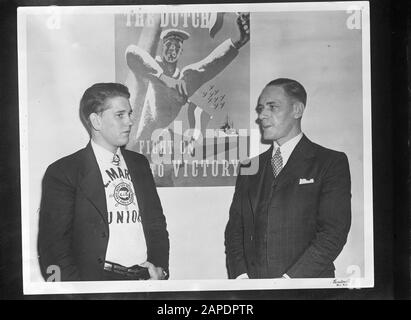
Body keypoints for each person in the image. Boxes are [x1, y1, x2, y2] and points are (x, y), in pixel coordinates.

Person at [38, 83, 169, 281]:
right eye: (120, 115)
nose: (130, 122)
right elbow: (54, 247)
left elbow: (156, 224)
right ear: (96, 121)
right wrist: (78, 293)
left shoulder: (139, 164)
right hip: (98, 287)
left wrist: (161, 270)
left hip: (145, 284)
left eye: (130, 114)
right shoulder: (64, 172)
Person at [224, 78, 351, 279]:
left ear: (297, 110)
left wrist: (290, 282)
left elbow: (333, 234)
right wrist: (241, 277)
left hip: (308, 291)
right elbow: (234, 231)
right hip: (254, 290)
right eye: (260, 108)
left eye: (272, 107)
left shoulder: (330, 162)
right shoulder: (249, 167)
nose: (262, 115)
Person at [125, 13, 250, 145]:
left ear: (181, 52)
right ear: (163, 47)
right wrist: (164, 79)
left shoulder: (184, 81)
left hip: (148, 146)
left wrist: (239, 41)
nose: (172, 49)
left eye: (177, 46)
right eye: (169, 45)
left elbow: (209, 64)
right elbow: (132, 52)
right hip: (131, 136)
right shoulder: (149, 65)